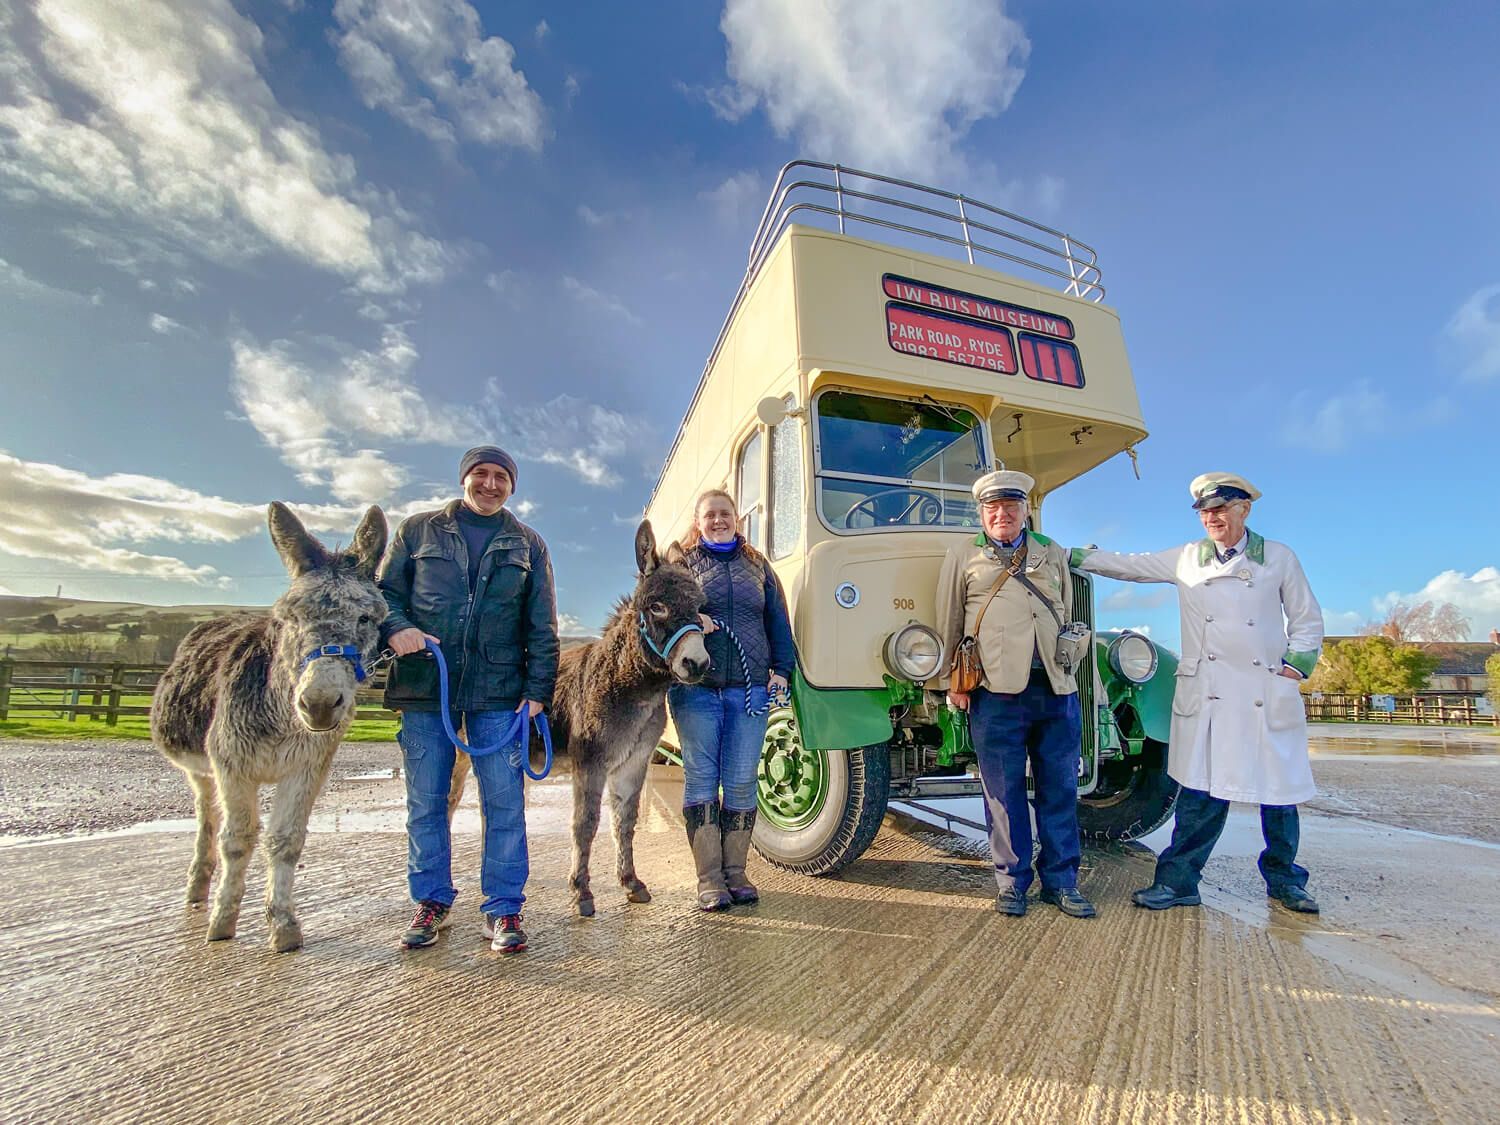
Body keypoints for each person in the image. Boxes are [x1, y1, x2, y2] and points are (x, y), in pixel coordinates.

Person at [1072, 472, 1324, 914]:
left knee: (1277, 796)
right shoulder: (1188, 558)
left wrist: (1294, 668)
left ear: (1244, 509)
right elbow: (1133, 565)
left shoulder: (1278, 558)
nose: (1213, 518)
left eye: (1222, 509)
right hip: (1209, 693)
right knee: (1201, 793)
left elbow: (1306, 618)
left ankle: (1285, 881)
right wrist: (1073, 555)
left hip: (1263, 688)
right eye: (1206, 512)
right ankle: (1178, 881)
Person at [377, 446, 559, 952]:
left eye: (501, 476)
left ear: (512, 486)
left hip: (499, 691)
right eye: (480, 474)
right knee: (427, 801)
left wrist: (537, 692)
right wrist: (397, 627)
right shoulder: (417, 531)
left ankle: (503, 910)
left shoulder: (528, 545)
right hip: (424, 684)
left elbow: (541, 625)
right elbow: (384, 593)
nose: (490, 484)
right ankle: (431, 901)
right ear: (464, 479)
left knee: (504, 802)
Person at [937, 470, 1095, 919]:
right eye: (993, 508)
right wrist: (954, 681)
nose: (1002, 515)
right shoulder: (964, 554)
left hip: (1054, 685)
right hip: (993, 691)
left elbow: (1065, 607)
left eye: (1010, 507)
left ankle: (1062, 882)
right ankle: (1012, 882)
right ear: (982, 513)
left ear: (1026, 510)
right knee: (1002, 793)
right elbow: (949, 618)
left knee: (1060, 787)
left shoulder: (1050, 552)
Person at [670, 489, 796, 911]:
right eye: (710, 515)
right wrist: (694, 619)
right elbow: (663, 613)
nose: (718, 521)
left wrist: (782, 669)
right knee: (702, 777)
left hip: (750, 688)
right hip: (696, 690)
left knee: (741, 778)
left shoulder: (758, 566)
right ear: (698, 521)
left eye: (725, 514)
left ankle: (736, 872)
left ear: (737, 518)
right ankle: (709, 878)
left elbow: (777, 620)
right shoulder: (683, 565)